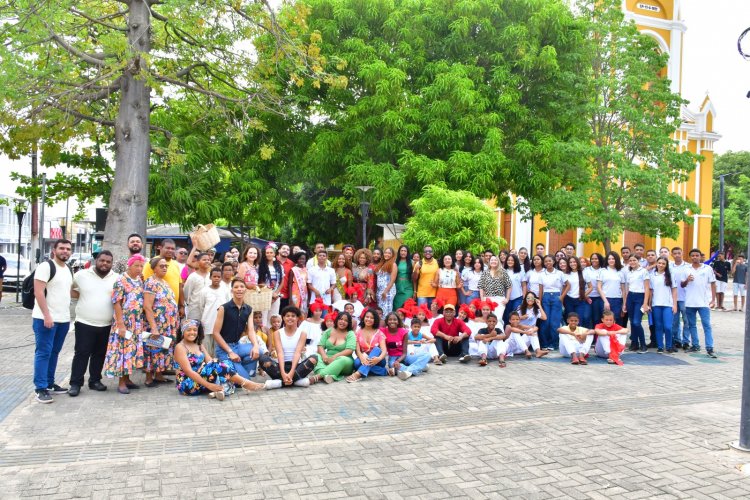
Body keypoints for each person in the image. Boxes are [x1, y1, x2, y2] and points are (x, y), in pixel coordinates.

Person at [68, 250, 119, 397]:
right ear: (96, 260)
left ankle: (95, 380)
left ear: (111, 263)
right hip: (85, 323)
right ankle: (75, 383)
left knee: (99, 354)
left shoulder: (116, 278)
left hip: (106, 324)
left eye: (108, 262)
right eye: (102, 260)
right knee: (81, 353)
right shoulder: (81, 275)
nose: (105, 264)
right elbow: (69, 289)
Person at [174, 320, 264, 400]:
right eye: (188, 330)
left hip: (201, 378)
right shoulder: (180, 347)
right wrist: (209, 385)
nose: (192, 332)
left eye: (195, 330)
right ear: (182, 332)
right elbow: (189, 372)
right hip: (187, 383)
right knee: (218, 366)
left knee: (226, 362)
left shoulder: (198, 344)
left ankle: (219, 391)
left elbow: (209, 361)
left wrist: (220, 368)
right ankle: (245, 383)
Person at [31, 239, 74, 403]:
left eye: (68, 249)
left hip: (63, 319)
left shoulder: (68, 269)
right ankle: (40, 388)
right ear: (54, 250)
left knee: (54, 352)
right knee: (43, 352)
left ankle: (49, 383)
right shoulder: (45, 267)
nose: (65, 251)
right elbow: (38, 292)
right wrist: (47, 315)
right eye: (62, 248)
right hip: (45, 319)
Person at [213, 278, 261, 379]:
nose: (239, 289)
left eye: (242, 287)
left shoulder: (248, 309)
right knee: (245, 380)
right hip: (224, 349)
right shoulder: (223, 308)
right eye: (236, 287)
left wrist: (255, 345)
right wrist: (230, 352)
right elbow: (216, 333)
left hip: (238, 346)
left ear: (245, 290)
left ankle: (241, 366)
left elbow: (251, 330)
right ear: (232, 290)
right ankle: (237, 369)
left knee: (259, 351)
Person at [258, 306, 317, 388]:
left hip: (297, 366)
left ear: (297, 318)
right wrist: (282, 372)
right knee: (263, 358)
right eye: (287, 316)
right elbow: (280, 353)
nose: (290, 318)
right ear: (283, 318)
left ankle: (280, 383)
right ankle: (296, 381)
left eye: (293, 316)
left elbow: (297, 353)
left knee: (314, 358)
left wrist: (292, 372)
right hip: (280, 367)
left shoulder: (302, 333)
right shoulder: (277, 333)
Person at [143, 257, 179, 387]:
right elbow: (147, 306)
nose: (164, 268)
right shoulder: (151, 282)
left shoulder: (164, 282)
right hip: (157, 323)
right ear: (154, 268)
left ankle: (158, 374)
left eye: (166, 266)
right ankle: (148, 377)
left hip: (167, 324)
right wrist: (153, 327)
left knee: (163, 349)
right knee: (153, 348)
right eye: (161, 266)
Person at [680, 248, 717, 357]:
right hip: (690, 302)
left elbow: (713, 283)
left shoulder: (707, 268)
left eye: (697, 255)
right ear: (690, 257)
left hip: (703, 303)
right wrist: (687, 280)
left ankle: (710, 348)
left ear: (700, 257)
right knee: (691, 325)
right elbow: (682, 285)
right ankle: (695, 345)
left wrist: (713, 299)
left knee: (707, 325)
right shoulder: (686, 269)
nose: (695, 257)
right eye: (693, 256)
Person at [308, 311, 356, 384]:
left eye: (346, 320)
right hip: (327, 359)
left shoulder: (350, 333)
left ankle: (317, 377)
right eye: (341, 319)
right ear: (337, 320)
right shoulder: (329, 331)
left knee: (341, 359)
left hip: (345, 361)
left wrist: (335, 357)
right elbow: (320, 345)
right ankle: (327, 376)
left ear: (349, 323)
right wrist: (324, 356)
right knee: (315, 356)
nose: (342, 322)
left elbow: (350, 350)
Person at [381, 312, 430, 380]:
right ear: (387, 321)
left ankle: (408, 370)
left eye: (395, 319)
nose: (392, 321)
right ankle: (420, 367)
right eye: (390, 319)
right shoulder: (383, 331)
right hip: (392, 358)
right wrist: (396, 362)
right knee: (393, 366)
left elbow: (404, 353)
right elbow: (380, 323)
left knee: (427, 355)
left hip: (404, 356)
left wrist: (398, 360)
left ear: (398, 321)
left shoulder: (404, 332)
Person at [194, 267, 231, 357]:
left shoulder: (225, 290)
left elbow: (228, 305)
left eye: (218, 277)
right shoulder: (204, 291)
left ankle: (217, 369)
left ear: (221, 278)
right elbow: (201, 306)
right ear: (210, 277)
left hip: (221, 325)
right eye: (214, 276)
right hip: (207, 324)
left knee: (217, 350)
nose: (216, 278)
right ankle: (207, 367)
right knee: (206, 349)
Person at [346, 308, 388, 382]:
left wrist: (379, 358)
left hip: (378, 360)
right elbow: (357, 350)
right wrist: (361, 357)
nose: (369, 319)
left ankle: (358, 374)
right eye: (367, 317)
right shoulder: (358, 333)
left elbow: (384, 350)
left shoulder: (379, 333)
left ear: (375, 320)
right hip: (364, 357)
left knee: (377, 349)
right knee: (357, 363)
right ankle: (383, 371)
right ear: (364, 318)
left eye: (372, 318)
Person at [143, 239, 182, 317]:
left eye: (173, 249)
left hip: (173, 311)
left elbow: (179, 286)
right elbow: (145, 285)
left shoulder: (175, 264)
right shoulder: (151, 263)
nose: (170, 250)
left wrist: (182, 306)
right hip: (157, 313)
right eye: (167, 248)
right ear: (160, 248)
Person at [650, 256, 678, 353]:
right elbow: (651, 291)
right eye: (659, 263)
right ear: (656, 263)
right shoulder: (652, 275)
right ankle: (660, 346)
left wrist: (675, 305)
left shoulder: (670, 275)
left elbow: (674, 290)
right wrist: (649, 304)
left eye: (663, 264)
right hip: (656, 304)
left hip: (668, 304)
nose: (661, 265)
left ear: (666, 265)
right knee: (658, 326)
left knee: (668, 327)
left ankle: (669, 346)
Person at [623, 255, 651, 353]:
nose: (632, 262)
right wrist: (625, 302)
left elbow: (647, 288)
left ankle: (643, 344)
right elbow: (627, 288)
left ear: (638, 261)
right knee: (632, 321)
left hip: (640, 297)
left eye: (634, 260)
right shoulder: (629, 272)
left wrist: (645, 303)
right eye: (630, 260)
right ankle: (634, 343)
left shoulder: (643, 271)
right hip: (631, 296)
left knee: (636, 322)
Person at [538, 255, 564, 351]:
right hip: (546, 296)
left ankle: (553, 343)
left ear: (553, 261)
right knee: (545, 321)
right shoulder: (542, 274)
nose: (548, 263)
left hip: (556, 296)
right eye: (546, 261)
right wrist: (539, 302)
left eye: (550, 261)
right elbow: (541, 289)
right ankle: (544, 343)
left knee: (554, 322)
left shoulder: (559, 273)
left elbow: (567, 285)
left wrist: (562, 296)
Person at [598, 252, 627, 328]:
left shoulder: (620, 272)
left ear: (616, 259)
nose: (611, 260)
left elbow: (623, 290)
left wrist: (624, 304)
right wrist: (605, 301)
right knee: (606, 320)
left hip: (617, 300)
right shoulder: (602, 271)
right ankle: (606, 338)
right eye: (609, 259)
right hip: (606, 299)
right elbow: (599, 287)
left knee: (617, 319)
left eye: (613, 258)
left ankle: (617, 338)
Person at [478, 255, 511, 320]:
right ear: (489, 262)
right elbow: (481, 286)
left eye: (495, 260)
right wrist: (482, 299)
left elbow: (509, 286)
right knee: (488, 319)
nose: (493, 261)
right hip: (488, 299)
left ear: (498, 261)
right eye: (492, 260)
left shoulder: (503, 272)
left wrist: (507, 299)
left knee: (498, 318)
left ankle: (499, 330)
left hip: (500, 299)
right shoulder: (485, 272)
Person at [258, 244, 285, 324]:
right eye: (267, 253)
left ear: (274, 254)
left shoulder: (279, 266)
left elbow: (282, 280)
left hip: (276, 295)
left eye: (271, 252)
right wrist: (269, 293)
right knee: (263, 317)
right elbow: (260, 281)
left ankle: (272, 335)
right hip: (264, 294)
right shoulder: (260, 265)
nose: (269, 254)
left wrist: (276, 293)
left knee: (273, 317)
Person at [670, 247, 690, 349]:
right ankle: (676, 340)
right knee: (675, 321)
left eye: (679, 253)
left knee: (687, 321)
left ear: (682, 253)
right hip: (673, 298)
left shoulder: (688, 266)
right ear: (672, 255)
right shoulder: (669, 266)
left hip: (685, 297)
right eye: (675, 253)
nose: (677, 255)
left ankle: (686, 341)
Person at [182, 252, 212, 321]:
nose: (207, 261)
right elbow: (186, 294)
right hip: (194, 311)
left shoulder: (211, 276)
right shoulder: (193, 277)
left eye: (208, 260)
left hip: (208, 310)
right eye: (204, 260)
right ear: (198, 262)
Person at [561, 256, 589, 329]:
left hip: (580, 300)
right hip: (569, 299)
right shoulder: (566, 274)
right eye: (570, 262)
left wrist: (583, 295)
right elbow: (564, 288)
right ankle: (570, 336)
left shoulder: (584, 273)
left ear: (577, 263)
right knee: (569, 319)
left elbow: (591, 287)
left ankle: (578, 337)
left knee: (579, 320)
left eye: (574, 262)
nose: (572, 264)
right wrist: (562, 299)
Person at [375, 247, 398, 315]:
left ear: (392, 255)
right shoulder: (382, 264)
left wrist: (385, 291)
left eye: (389, 253)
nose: (387, 254)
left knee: (386, 310)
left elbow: (392, 280)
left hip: (388, 291)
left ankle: (386, 324)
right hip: (380, 291)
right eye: (385, 253)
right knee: (380, 310)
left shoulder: (393, 264)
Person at [585, 253, 605, 328]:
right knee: (586, 317)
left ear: (599, 259)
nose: (594, 260)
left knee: (597, 319)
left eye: (596, 258)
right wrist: (585, 296)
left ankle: (596, 338)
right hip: (588, 297)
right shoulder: (586, 270)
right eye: (592, 259)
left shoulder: (603, 270)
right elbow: (582, 284)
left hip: (599, 297)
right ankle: (587, 336)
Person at [393, 245, 414, 310]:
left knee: (406, 307)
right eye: (401, 251)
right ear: (399, 252)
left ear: (407, 252)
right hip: (397, 288)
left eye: (405, 251)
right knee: (397, 307)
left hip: (408, 288)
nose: (403, 252)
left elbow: (415, 278)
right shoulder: (395, 261)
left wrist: (415, 291)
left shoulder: (412, 262)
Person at [277, 244, 295, 310]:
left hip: (285, 295)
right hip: (273, 294)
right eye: (284, 248)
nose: (286, 250)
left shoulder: (292, 264)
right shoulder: (273, 260)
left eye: (288, 250)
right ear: (279, 250)